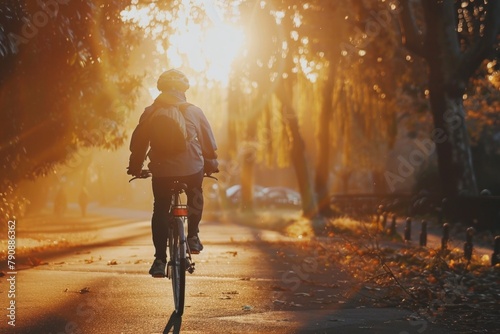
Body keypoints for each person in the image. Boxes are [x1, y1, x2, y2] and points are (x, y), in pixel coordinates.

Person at [127, 69, 219, 277]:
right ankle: (193, 236)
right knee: (195, 192)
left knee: (160, 207)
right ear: (183, 90)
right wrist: (211, 165)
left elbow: (139, 145)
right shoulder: (195, 111)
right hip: (192, 168)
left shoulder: (150, 112)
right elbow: (209, 144)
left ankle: (159, 260)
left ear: (161, 89)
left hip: (162, 171)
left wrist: (135, 167)